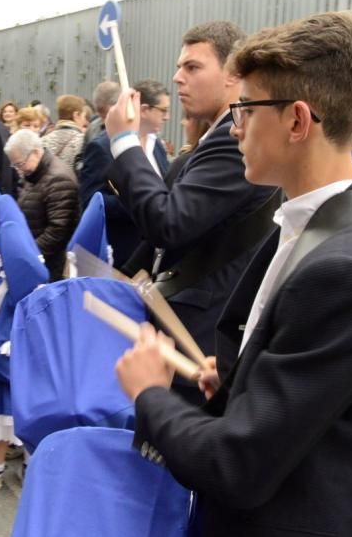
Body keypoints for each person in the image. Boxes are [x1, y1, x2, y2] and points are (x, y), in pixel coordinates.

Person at [115, 12, 352, 537]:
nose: (234, 128)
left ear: (297, 122)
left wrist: (150, 393)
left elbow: (239, 465)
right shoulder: (325, 221)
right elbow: (317, 404)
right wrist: (240, 383)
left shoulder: (346, 268)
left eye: (245, 110)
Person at [102, 23, 278, 366]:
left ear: (232, 75)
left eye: (193, 67)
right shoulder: (215, 137)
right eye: (179, 67)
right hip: (183, 320)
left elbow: (169, 222)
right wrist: (127, 273)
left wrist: (124, 142)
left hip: (203, 333)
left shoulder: (232, 138)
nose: (178, 77)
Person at [79, 79, 172, 271]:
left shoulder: (158, 147)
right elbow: (90, 201)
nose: (167, 117)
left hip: (152, 257)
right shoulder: (102, 147)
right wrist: (139, 202)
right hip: (120, 256)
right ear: (144, 109)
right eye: (163, 110)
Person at [6, 129, 79, 281]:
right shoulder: (34, 173)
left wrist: (29, 252)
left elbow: (58, 231)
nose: (19, 171)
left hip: (50, 264)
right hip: (39, 258)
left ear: (35, 152)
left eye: (20, 164)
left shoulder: (58, 179)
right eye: (14, 166)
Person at [41, 94, 88, 172]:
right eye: (84, 116)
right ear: (76, 115)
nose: (85, 121)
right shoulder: (82, 141)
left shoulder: (43, 140)